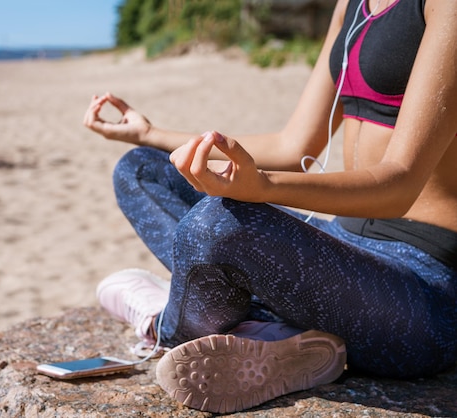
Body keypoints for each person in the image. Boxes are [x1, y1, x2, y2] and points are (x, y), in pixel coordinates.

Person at [83, 0, 457, 414]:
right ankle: (275, 337)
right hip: (344, 251)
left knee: (214, 225)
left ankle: (165, 323)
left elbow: (401, 182)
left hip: (423, 293)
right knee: (141, 171)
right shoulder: (350, 6)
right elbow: (293, 145)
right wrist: (152, 133)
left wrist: (262, 188)